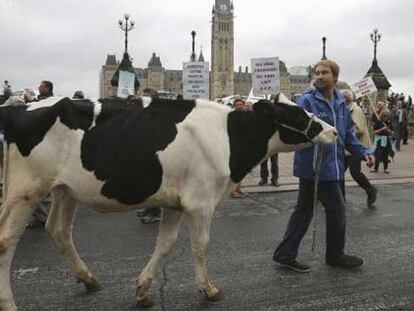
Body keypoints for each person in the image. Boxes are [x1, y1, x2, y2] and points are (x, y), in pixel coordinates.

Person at [273, 59, 375, 272]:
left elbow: (347, 135)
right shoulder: (306, 101)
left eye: (324, 73)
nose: (319, 76)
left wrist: (364, 152)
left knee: (304, 211)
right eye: (317, 73)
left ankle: (285, 253)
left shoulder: (340, 102)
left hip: (335, 167)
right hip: (315, 168)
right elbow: (294, 130)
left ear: (335, 77)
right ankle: (335, 255)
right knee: (336, 211)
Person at [341, 90, 377, 208]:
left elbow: (358, 129)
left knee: (354, 172)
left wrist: (342, 133)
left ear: (346, 100)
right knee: (339, 173)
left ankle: (371, 190)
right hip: (349, 148)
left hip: (357, 146)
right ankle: (339, 198)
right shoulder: (347, 109)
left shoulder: (355, 110)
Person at [27, 81, 54, 228]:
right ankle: (45, 216)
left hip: (42, 145)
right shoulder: (46, 101)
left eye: (41, 86)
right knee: (45, 186)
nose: (38, 87)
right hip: (45, 146)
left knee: (38, 184)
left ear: (47, 88)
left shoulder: (44, 103)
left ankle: (43, 217)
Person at [230, 98, 247, 198]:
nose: (239, 106)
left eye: (241, 104)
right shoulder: (231, 116)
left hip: (244, 145)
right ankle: (233, 190)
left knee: (242, 170)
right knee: (235, 170)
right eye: (237, 104)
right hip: (234, 146)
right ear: (234, 106)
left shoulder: (246, 115)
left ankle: (238, 188)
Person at [371, 109, 394, 174]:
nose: (386, 118)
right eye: (384, 116)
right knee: (377, 154)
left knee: (386, 154)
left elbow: (392, 132)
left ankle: (385, 168)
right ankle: (376, 168)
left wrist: (389, 131)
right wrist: (381, 129)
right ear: (382, 116)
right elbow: (374, 132)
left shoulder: (389, 122)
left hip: (386, 139)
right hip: (379, 139)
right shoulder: (378, 122)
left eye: (387, 116)